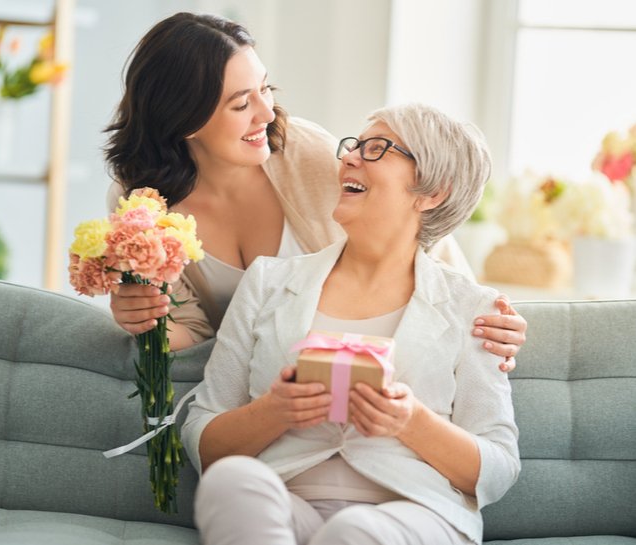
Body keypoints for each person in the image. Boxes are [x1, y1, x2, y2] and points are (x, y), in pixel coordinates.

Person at [104, 12, 526, 369]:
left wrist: (482, 320)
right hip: (262, 380)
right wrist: (144, 318)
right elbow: (194, 333)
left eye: (264, 89)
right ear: (185, 120)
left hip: (363, 364)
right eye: (240, 104)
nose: (266, 113)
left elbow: (415, 228)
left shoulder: (305, 152)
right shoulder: (140, 205)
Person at [181, 103, 520, 545]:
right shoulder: (269, 281)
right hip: (285, 504)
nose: (349, 158)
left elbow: (498, 468)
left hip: (415, 512)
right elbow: (202, 437)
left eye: (377, 149)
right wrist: (274, 411)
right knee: (231, 482)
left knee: (355, 530)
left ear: (433, 192)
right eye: (354, 146)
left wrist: (410, 421)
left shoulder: (473, 307)